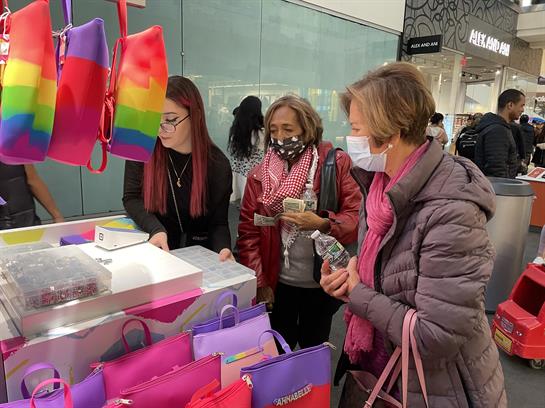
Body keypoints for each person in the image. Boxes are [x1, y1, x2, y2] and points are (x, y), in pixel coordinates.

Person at [320, 62, 506, 407]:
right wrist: (349, 280)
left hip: (433, 385)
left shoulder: (451, 210)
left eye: (356, 129)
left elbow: (437, 334)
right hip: (381, 364)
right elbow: (388, 270)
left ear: (390, 135)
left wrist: (358, 294)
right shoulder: (379, 185)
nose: (351, 138)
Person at [234, 95, 361, 349]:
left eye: (288, 129)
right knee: (278, 351)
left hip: (321, 282)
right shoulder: (260, 175)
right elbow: (248, 233)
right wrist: (260, 282)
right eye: (273, 130)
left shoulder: (334, 164)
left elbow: (356, 217)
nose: (280, 137)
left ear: (307, 127)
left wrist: (324, 223)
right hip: (278, 283)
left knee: (314, 351)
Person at [123, 76, 232, 252]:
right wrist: (155, 229)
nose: (160, 130)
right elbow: (131, 197)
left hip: (198, 253)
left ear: (194, 116)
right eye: (155, 120)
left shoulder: (217, 164)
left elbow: (218, 222)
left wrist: (224, 250)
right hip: (156, 247)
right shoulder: (142, 148)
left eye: (170, 120)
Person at [474, 89, 525, 178]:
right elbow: (496, 168)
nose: (522, 110)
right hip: (497, 187)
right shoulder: (498, 130)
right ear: (510, 105)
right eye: (521, 105)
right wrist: (505, 189)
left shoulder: (499, 127)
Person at [0, 163, 64, 229]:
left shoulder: (19, 154)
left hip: (25, 220)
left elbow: (33, 181)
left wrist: (57, 216)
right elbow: (33, 181)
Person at [228, 96, 265, 202]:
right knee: (252, 205)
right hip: (255, 176)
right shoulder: (261, 133)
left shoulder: (236, 131)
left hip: (239, 173)